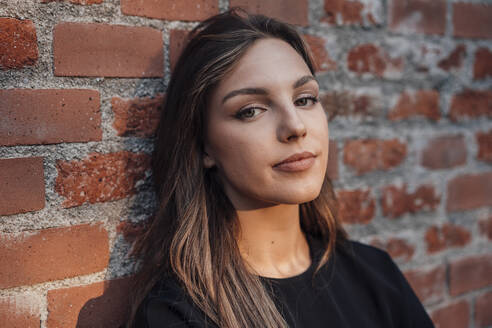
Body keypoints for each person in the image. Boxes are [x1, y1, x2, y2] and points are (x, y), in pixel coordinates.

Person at [127, 8, 435, 328]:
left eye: (304, 99)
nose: (295, 126)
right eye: (251, 110)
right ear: (204, 145)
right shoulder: (178, 315)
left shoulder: (376, 274)